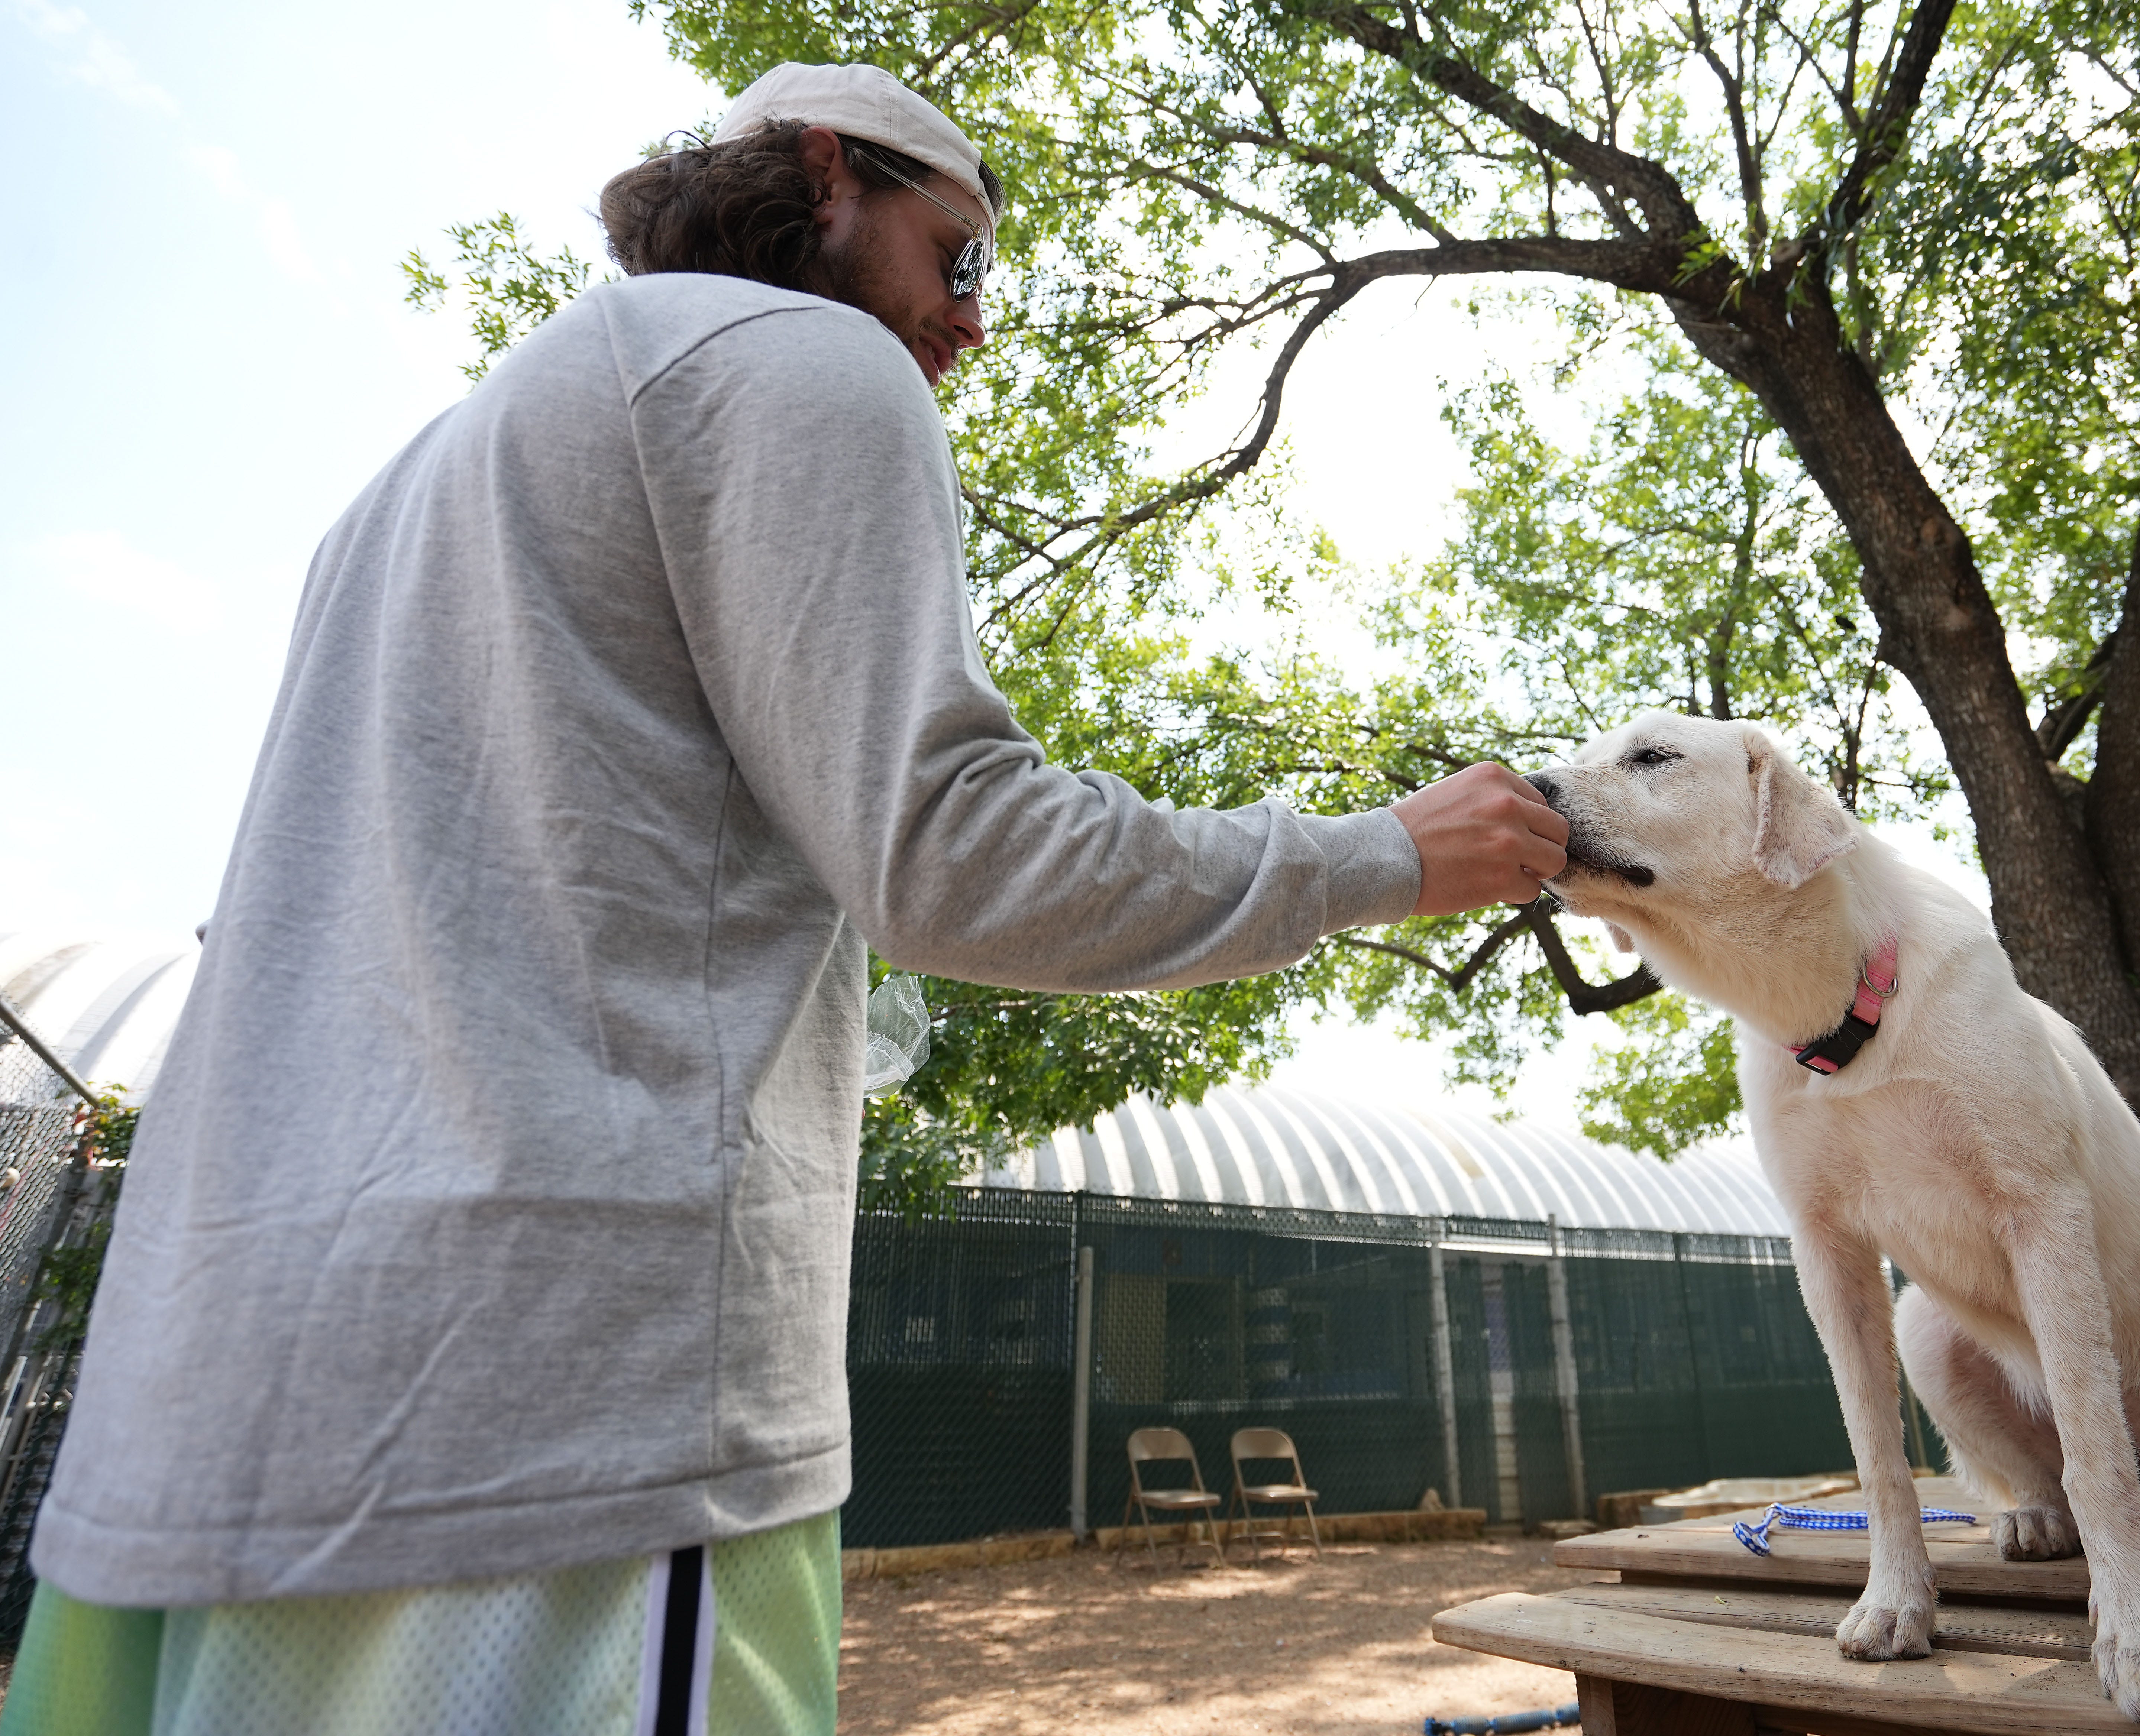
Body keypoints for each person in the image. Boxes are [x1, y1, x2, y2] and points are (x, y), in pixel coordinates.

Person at [6, 61, 1567, 1736]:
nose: (971, 328)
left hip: (203, 1421)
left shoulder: (419, 475)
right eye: (958, 259)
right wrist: (1385, 854)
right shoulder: (804, 360)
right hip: (568, 1456)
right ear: (824, 171)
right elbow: (952, 854)